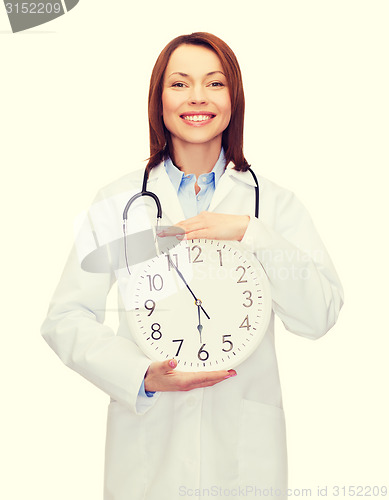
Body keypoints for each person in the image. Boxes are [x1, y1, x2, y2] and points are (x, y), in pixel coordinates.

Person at [41, 32, 344, 500]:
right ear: (158, 100)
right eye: (180, 84)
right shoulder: (120, 204)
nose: (197, 97)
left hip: (244, 450)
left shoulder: (273, 206)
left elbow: (319, 315)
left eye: (214, 83)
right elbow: (65, 317)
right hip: (148, 452)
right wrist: (140, 375)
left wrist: (252, 233)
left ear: (233, 98)